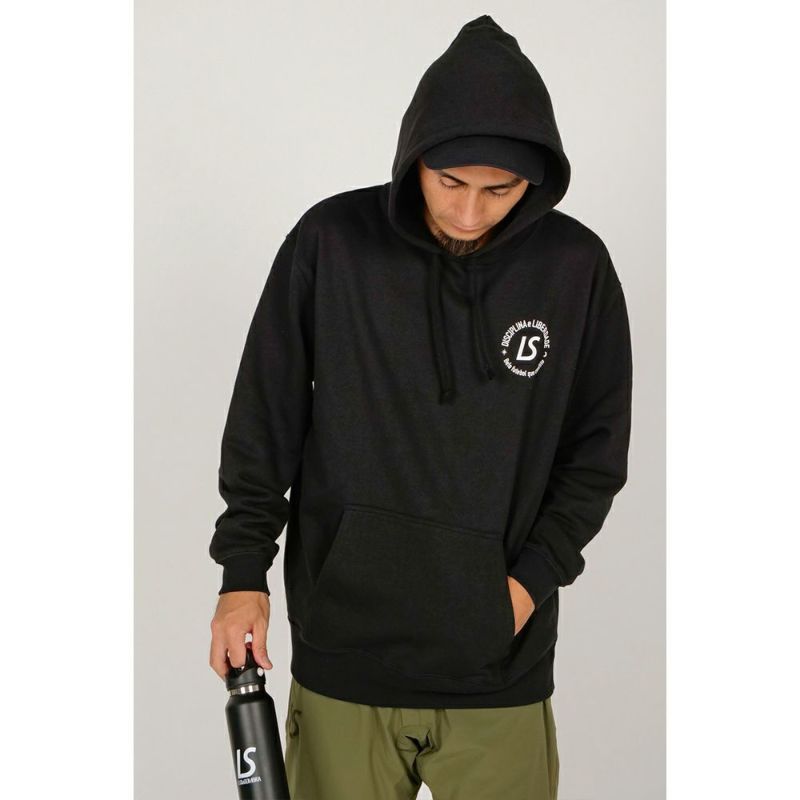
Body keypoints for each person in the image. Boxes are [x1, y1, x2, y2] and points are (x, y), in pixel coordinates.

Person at [208, 14, 632, 800]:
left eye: (499, 190)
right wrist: (242, 572)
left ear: (536, 180)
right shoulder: (331, 242)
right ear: (415, 161)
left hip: (498, 667)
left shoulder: (576, 269)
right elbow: (265, 417)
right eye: (451, 183)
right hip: (345, 657)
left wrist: (524, 589)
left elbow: (596, 454)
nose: (470, 213)